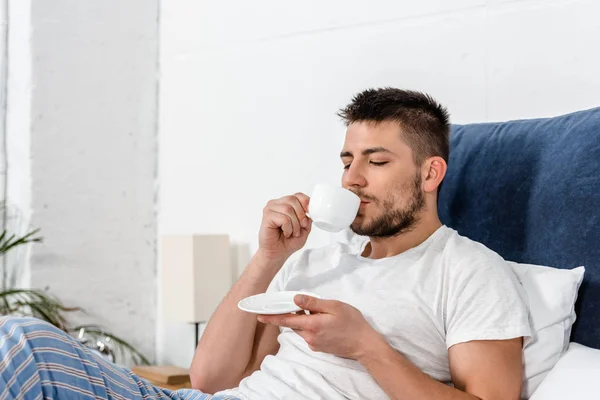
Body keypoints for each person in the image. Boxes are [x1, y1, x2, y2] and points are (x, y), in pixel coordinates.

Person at [0, 88, 531, 400]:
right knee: (17, 339)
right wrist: (270, 258)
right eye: (347, 161)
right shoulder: (317, 261)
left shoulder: (468, 270)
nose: (352, 180)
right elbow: (211, 378)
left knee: (20, 347)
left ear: (430, 172)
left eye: (377, 160)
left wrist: (365, 345)